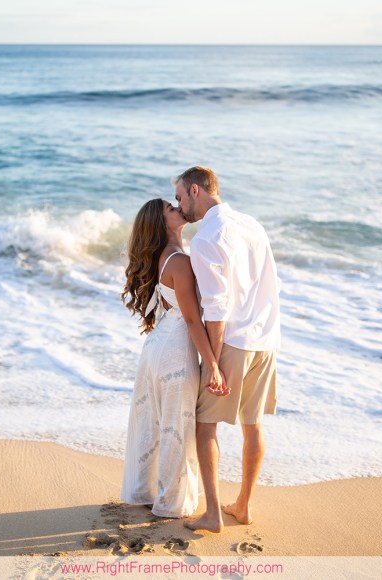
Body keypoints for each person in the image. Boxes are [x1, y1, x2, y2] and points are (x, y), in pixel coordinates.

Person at [173, 166, 281, 534]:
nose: (179, 205)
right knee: (253, 425)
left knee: (206, 428)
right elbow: (269, 283)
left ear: (194, 191)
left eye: (179, 198)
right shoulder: (252, 224)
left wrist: (212, 362)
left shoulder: (206, 238)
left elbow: (216, 311)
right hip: (265, 341)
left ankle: (213, 514)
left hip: (232, 342)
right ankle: (244, 506)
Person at [120, 198, 224, 518]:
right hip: (175, 352)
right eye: (170, 207)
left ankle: (148, 491)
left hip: (156, 348)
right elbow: (193, 320)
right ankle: (171, 504)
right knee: (175, 424)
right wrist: (214, 366)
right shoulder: (178, 261)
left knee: (156, 423)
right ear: (163, 222)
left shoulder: (165, 257)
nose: (178, 208)